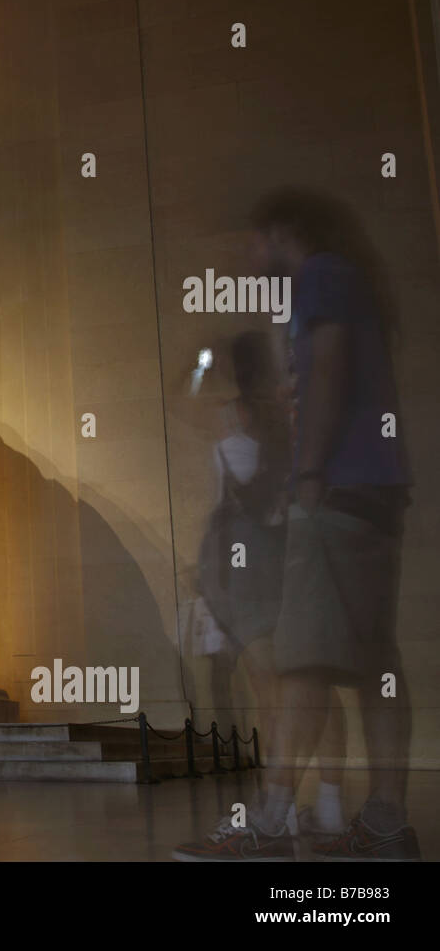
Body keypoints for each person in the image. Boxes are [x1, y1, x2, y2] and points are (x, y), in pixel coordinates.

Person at [175, 189, 415, 861]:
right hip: (370, 489)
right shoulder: (344, 278)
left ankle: (275, 820)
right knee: (375, 667)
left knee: (304, 665)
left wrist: (308, 475)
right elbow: (332, 376)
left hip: (336, 492)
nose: (250, 259)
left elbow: (333, 370)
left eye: (255, 243)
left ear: (283, 233)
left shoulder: (321, 276)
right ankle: (387, 824)